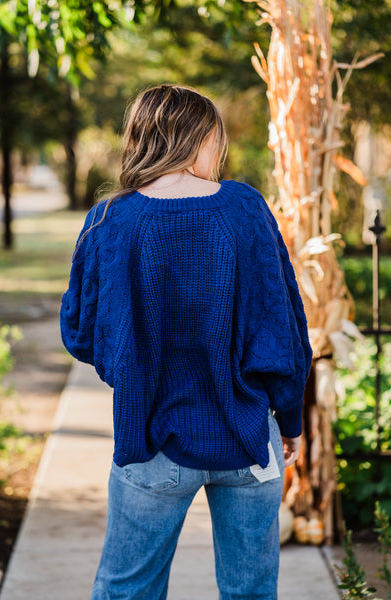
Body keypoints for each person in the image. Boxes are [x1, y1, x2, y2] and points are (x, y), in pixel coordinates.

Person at [60, 83, 313, 600]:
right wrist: (289, 419)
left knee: (127, 592)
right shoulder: (245, 209)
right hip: (248, 439)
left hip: (151, 440)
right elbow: (283, 329)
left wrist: (139, 365)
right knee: (252, 593)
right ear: (198, 138)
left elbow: (83, 335)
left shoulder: (111, 220)